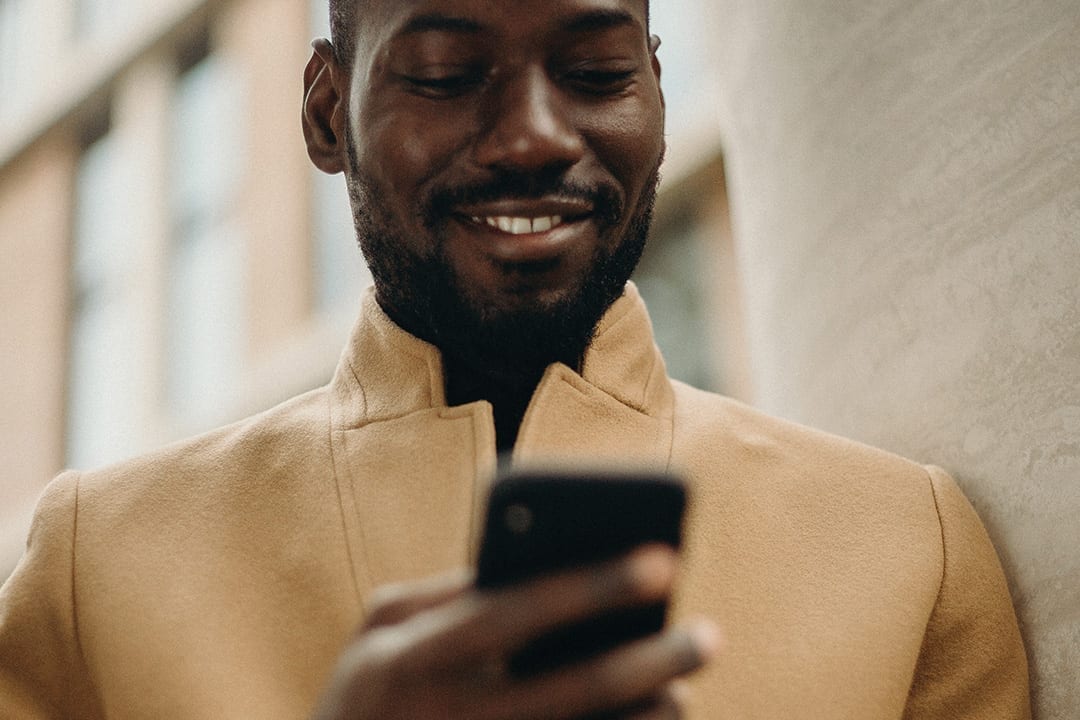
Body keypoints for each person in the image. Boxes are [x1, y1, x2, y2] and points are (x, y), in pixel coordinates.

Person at [0, 1, 1030, 718]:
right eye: (447, 75)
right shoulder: (100, 568)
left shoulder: (910, 549)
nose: (537, 135)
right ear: (327, 110)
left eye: (595, 74)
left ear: (658, 96)